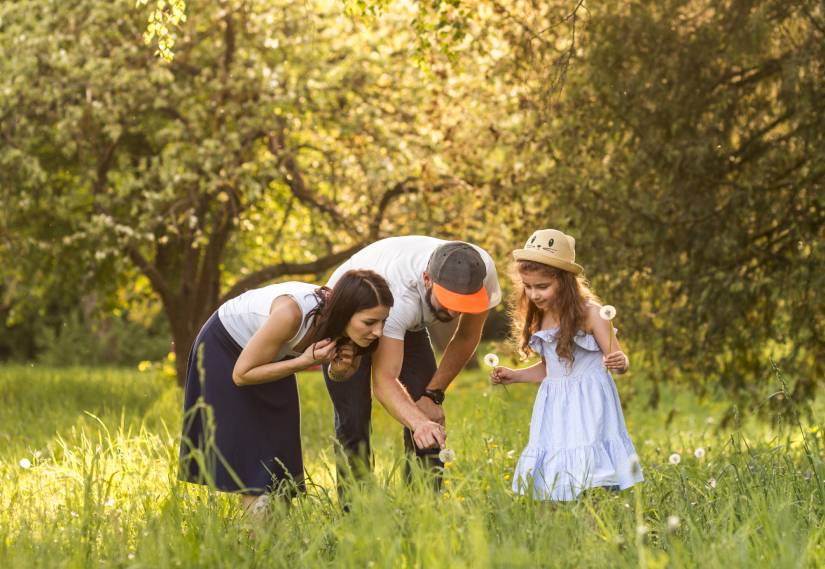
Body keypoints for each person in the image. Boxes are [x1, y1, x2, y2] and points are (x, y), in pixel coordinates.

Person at [178, 270, 442, 510]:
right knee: (258, 455)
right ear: (346, 312)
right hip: (227, 348)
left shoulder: (352, 329)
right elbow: (242, 374)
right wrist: (304, 362)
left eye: (383, 321)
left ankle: (275, 540)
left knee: (281, 448)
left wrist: (340, 367)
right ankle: (254, 544)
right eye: (370, 322)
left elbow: (340, 375)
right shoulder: (291, 314)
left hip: (274, 356)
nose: (379, 331)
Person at [323, 236, 501, 486]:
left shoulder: (480, 271)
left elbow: (467, 335)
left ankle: (425, 508)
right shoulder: (401, 296)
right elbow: (384, 381)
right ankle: (356, 510)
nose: (454, 313)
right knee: (354, 419)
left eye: (464, 304)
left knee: (429, 415)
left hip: (408, 323)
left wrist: (433, 395)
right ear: (427, 279)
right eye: (449, 301)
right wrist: (418, 423)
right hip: (351, 317)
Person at [490, 229, 643, 500]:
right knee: (556, 461)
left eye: (542, 286)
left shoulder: (592, 314)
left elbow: (617, 362)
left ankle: (595, 518)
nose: (534, 294)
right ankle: (559, 519)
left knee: (589, 463)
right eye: (528, 286)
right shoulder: (543, 316)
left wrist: (621, 362)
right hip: (555, 403)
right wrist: (515, 375)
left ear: (564, 281)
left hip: (589, 400)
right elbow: (551, 368)